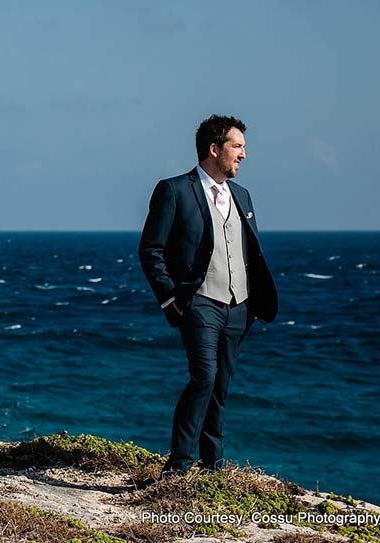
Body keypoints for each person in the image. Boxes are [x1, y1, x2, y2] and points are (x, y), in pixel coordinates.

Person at [138, 114, 277, 475]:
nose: (243, 154)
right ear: (214, 149)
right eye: (237, 146)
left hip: (239, 306)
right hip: (198, 302)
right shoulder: (173, 190)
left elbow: (249, 250)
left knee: (221, 386)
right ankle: (178, 466)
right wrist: (171, 299)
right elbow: (151, 249)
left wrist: (254, 302)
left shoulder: (242, 195)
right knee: (204, 377)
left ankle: (212, 465)